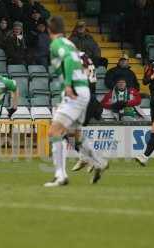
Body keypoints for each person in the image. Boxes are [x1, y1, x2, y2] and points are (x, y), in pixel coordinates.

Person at [44, 16, 108, 187]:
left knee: (54, 132)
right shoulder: (70, 43)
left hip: (75, 92)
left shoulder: (56, 44)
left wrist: (67, 85)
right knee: (73, 135)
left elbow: (70, 61)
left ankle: (61, 176)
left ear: (49, 30)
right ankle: (99, 161)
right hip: (84, 91)